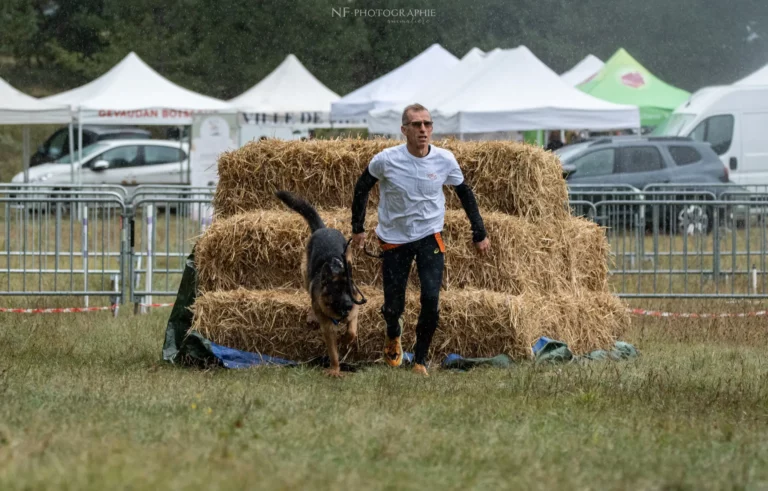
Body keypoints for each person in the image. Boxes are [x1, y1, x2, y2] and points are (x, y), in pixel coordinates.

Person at [350, 103, 491, 376]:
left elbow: (465, 193)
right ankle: (393, 332)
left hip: (430, 236)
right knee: (393, 306)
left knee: (430, 298)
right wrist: (358, 227)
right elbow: (362, 187)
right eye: (416, 125)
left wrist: (479, 232)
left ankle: (420, 361)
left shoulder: (445, 159)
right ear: (404, 130)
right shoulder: (386, 159)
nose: (423, 130)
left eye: (427, 124)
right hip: (394, 238)